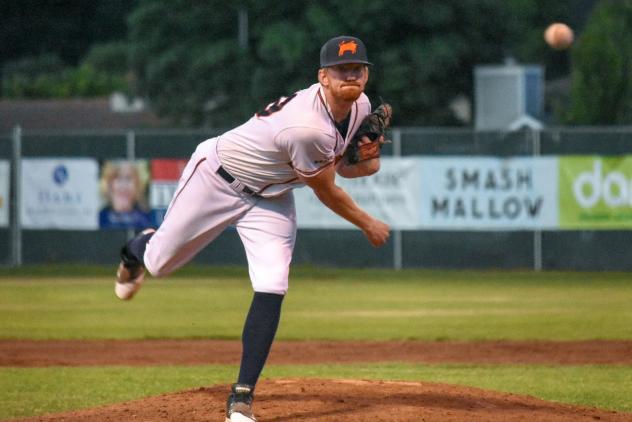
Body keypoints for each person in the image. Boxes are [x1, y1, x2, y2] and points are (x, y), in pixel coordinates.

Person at [114, 35, 390, 422]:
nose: (352, 75)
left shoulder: (359, 106)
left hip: (270, 196)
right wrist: (368, 223)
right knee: (159, 264)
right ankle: (136, 248)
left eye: (358, 68)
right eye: (342, 69)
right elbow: (327, 190)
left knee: (273, 282)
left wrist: (370, 162)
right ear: (322, 77)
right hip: (218, 177)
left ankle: (241, 398)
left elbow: (343, 166)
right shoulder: (305, 126)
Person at [99, 160, 152, 229]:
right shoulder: (99, 218)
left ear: (138, 184)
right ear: (109, 184)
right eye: (118, 178)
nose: (123, 185)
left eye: (128, 178)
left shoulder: (146, 220)